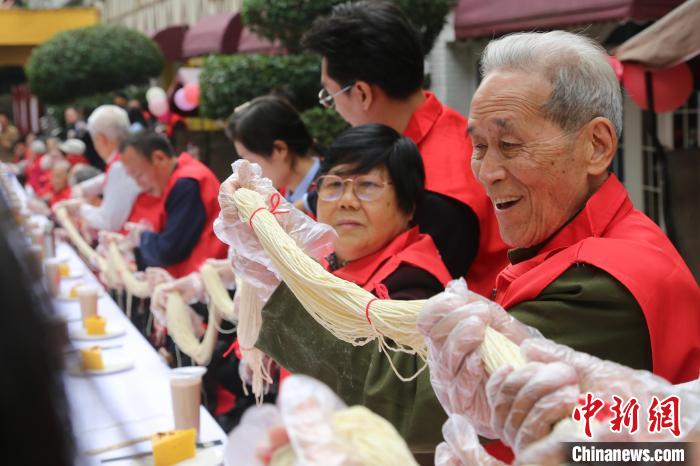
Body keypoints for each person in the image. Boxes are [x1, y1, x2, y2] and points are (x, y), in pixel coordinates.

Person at [417, 30, 700, 460]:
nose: (487, 172)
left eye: (509, 145)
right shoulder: (569, 243)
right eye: (479, 146)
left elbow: (415, 407)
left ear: (596, 146)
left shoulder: (601, 281)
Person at [256, 124, 453, 464]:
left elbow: (382, 394)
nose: (346, 201)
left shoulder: (416, 286)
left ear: (408, 207)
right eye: (334, 185)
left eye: (367, 186)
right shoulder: (322, 262)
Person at [301, 1, 507, 289]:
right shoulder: (455, 132)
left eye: (330, 96)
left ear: (361, 93)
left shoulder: (438, 197)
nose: (332, 108)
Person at [119, 131, 227, 278]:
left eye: (139, 175)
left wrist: (141, 237)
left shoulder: (187, 183)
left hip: (209, 282)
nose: (139, 185)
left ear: (159, 158)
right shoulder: (176, 179)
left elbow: (168, 252)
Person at [226, 95, 322, 205]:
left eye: (251, 161)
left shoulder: (332, 192)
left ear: (279, 149)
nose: (248, 172)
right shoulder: (280, 194)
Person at [65, 105, 142, 233]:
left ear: (102, 139)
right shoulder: (129, 154)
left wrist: (79, 208)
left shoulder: (120, 164)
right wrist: (83, 188)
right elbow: (108, 178)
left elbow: (108, 222)